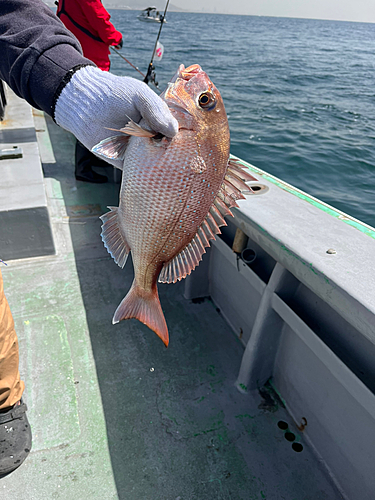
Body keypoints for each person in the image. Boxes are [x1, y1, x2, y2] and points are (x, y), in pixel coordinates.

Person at [0, 0, 178, 476]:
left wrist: (74, 86)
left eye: (203, 105)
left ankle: (2, 398)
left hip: (80, 65)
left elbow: (12, 10)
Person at [56, 0, 124, 183]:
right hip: (92, 62)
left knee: (86, 111)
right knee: (90, 114)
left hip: (76, 57)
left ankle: (92, 159)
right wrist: (116, 38)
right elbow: (99, 18)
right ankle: (83, 168)